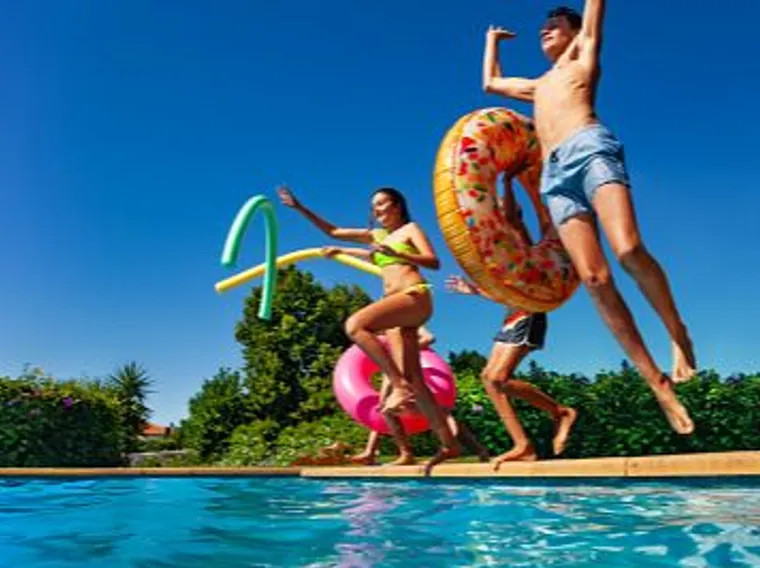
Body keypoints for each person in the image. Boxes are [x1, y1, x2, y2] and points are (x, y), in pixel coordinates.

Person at [481, 2, 696, 434]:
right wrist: (491, 40)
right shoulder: (539, 86)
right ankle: (657, 383)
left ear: (576, 33)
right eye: (542, 27)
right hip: (554, 177)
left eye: (554, 25)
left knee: (629, 249)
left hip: (589, 148)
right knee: (596, 280)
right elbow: (489, 83)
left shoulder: (584, 55)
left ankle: (677, 331)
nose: (545, 30)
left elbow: (594, 8)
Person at [278, 185, 461, 472]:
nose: (376, 211)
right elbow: (334, 231)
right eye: (373, 206)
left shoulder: (410, 229)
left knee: (355, 324)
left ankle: (397, 386)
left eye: (381, 204)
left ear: (396, 205)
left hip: (414, 295)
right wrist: (300, 208)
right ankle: (449, 444)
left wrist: (398, 253)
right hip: (396, 306)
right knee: (416, 380)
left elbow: (434, 262)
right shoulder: (377, 237)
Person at [445, 170, 578, 469]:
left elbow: (511, 214)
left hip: (529, 313)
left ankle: (559, 413)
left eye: (505, 206)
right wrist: (473, 290)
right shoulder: (501, 249)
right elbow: (504, 296)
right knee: (489, 379)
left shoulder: (518, 236)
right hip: (511, 315)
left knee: (497, 377)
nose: (499, 210)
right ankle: (525, 444)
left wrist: (506, 183)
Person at [349, 326, 490, 466]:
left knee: (436, 413)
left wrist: (406, 350)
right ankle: (378, 452)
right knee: (385, 409)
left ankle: (404, 453)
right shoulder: (385, 327)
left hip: (414, 372)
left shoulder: (405, 319)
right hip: (399, 373)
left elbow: (429, 338)